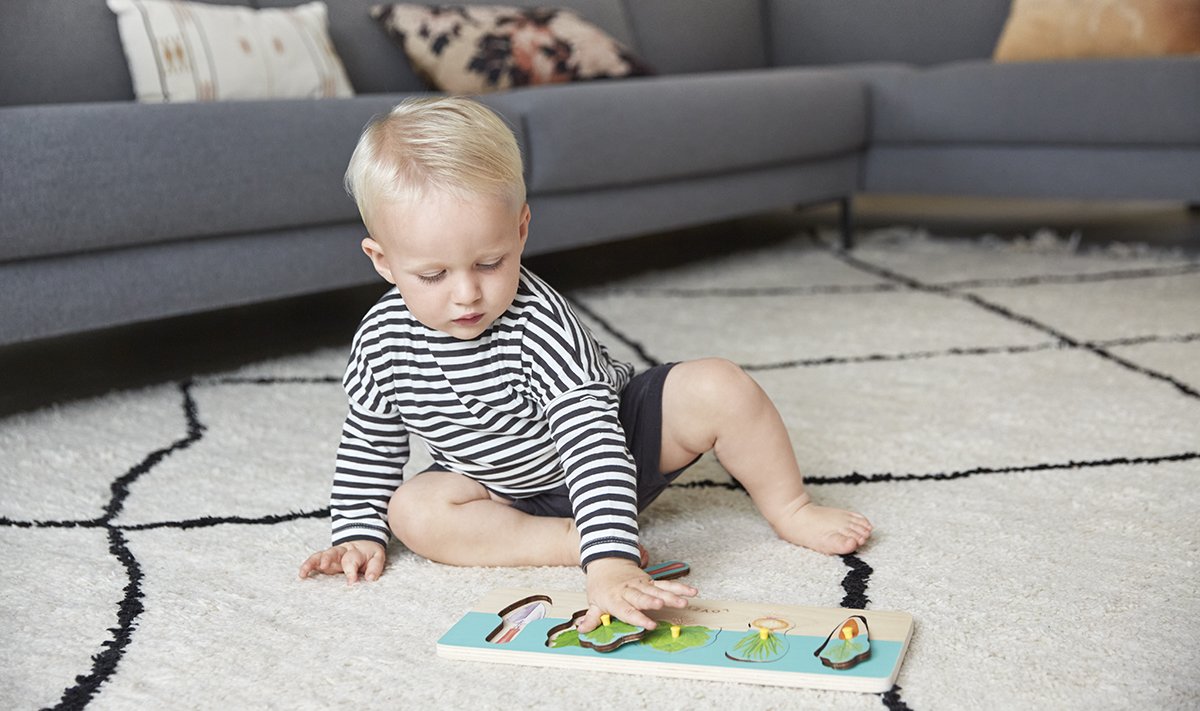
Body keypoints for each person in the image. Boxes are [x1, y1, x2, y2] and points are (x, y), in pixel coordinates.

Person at [298, 97, 872, 633]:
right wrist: (356, 532)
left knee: (720, 385)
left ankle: (790, 507)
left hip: (615, 442)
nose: (467, 294)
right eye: (433, 276)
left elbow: (592, 441)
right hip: (500, 488)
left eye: (491, 262)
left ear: (521, 229)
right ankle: (566, 539)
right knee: (414, 512)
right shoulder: (379, 340)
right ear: (383, 261)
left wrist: (612, 564)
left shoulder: (539, 325)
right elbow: (370, 439)